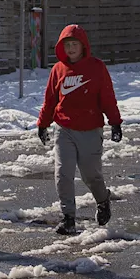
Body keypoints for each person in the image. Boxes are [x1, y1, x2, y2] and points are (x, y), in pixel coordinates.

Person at [36, 24, 122, 235]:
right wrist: (43, 124)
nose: (71, 48)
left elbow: (107, 97)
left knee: (90, 175)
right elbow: (50, 100)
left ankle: (103, 200)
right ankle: (68, 218)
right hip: (64, 129)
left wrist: (115, 122)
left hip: (90, 129)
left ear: (83, 46)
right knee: (62, 173)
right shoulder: (58, 70)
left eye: (75, 44)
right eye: (67, 45)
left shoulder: (96, 67)